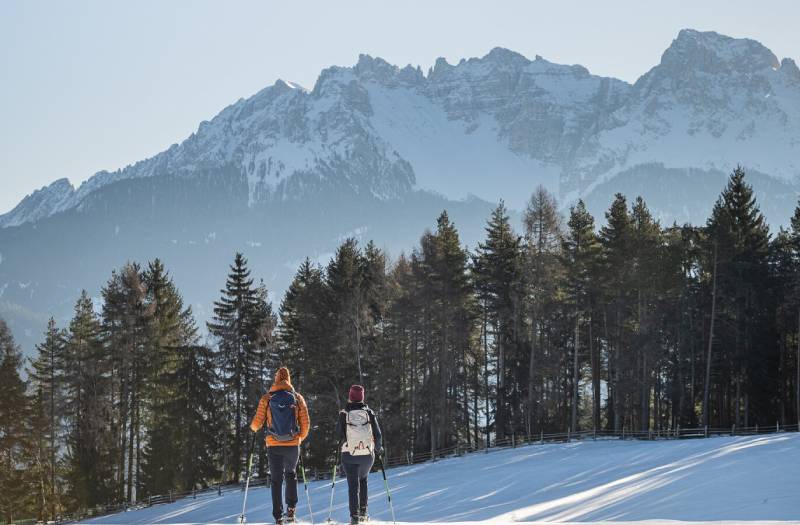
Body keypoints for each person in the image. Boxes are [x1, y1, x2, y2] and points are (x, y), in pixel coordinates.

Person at [250, 366, 311, 524]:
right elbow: (305, 424)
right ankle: (291, 511)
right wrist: (299, 438)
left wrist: (254, 427)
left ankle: (278, 516)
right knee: (290, 474)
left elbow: (257, 423)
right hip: (292, 445)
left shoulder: (267, 398)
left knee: (276, 480)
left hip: (274, 445)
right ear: (289, 379)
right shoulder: (297, 398)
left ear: (276, 379)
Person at [335, 384, 383, 524]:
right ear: (362, 397)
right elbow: (378, 435)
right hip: (367, 456)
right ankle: (363, 512)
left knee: (353, 485)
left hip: (349, 455)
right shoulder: (369, 412)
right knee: (363, 480)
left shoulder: (344, 413)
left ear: (350, 397)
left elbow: (338, 435)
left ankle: (354, 517)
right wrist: (377, 450)